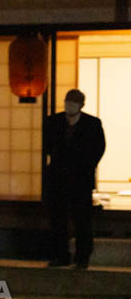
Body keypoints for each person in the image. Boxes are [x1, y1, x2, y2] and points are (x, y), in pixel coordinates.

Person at [44, 88, 106, 269]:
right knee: (58, 218)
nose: (69, 106)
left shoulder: (92, 124)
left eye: (73, 103)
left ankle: (82, 257)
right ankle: (60, 255)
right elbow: (47, 145)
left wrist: (87, 165)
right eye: (67, 102)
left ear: (81, 105)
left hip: (82, 178)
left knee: (83, 219)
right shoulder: (54, 122)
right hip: (58, 176)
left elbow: (99, 148)